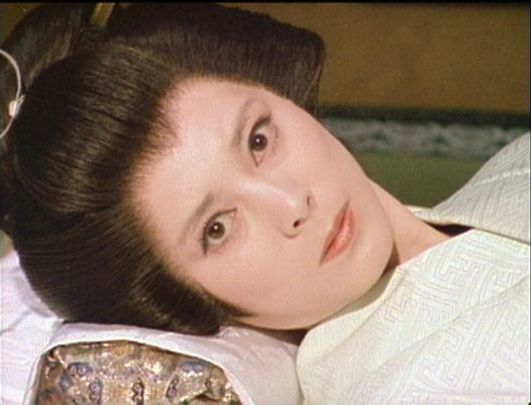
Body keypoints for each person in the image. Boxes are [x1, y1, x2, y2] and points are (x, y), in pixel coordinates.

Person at [1, 3, 528, 403]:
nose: (291, 204)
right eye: (217, 228)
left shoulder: (514, 164)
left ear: (279, 93)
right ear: (178, 300)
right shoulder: (402, 388)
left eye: (258, 140)